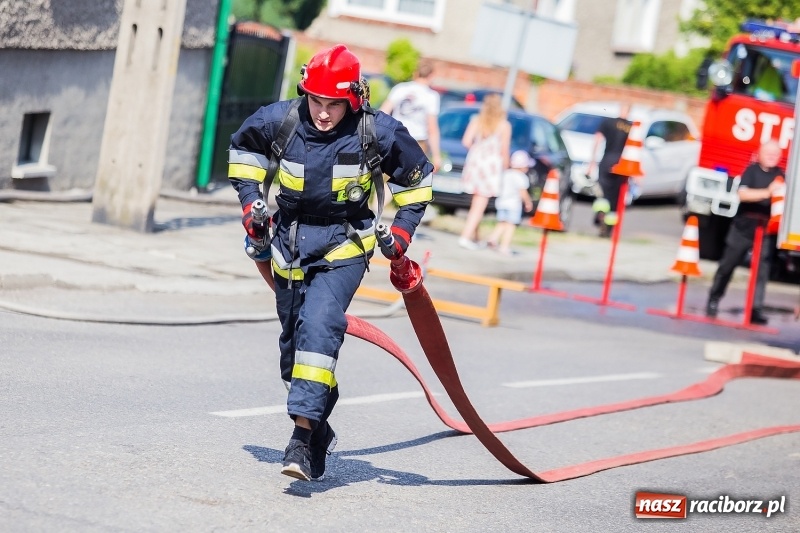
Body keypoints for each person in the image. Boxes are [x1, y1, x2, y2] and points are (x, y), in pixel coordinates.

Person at [227, 44, 433, 482]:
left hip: (344, 248)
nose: (321, 113)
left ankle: (300, 443)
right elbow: (243, 158)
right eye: (315, 101)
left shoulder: (377, 133)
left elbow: (417, 184)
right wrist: (251, 209)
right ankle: (318, 432)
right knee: (294, 355)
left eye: (332, 104)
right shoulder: (278, 120)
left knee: (320, 326)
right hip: (288, 247)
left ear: (353, 100)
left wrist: (399, 235)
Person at [705, 140, 785, 325]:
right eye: (769, 152)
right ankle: (714, 298)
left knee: (761, 271)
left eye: (776, 153)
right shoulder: (751, 171)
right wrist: (767, 192)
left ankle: (755, 309)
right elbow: (742, 194)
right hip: (743, 227)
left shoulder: (781, 176)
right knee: (728, 265)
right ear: (760, 153)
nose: (772, 156)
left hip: (765, 230)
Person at [457, 93, 511, 249]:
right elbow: (504, 150)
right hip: (491, 166)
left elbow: (466, 141)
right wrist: (506, 166)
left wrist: (477, 150)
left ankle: (475, 237)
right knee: (479, 205)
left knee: (476, 203)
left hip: (475, 162)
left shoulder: (477, 121)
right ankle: (465, 237)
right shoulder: (504, 125)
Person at [379, 59, 441, 173]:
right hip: (417, 143)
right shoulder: (431, 96)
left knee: (386, 179)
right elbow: (432, 128)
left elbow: (383, 114)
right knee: (410, 184)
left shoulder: (400, 88)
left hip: (396, 138)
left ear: (415, 73)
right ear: (431, 75)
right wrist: (436, 156)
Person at [586, 103, 632, 238]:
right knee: (615, 197)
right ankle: (609, 228)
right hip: (621, 164)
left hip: (607, 161)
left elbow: (597, 140)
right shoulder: (631, 127)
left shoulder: (608, 122)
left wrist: (592, 163)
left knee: (603, 192)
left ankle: (600, 216)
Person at [485, 150, 534, 255]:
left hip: (501, 202)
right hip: (513, 205)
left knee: (502, 223)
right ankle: (504, 246)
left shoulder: (506, 174)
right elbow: (523, 192)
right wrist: (528, 202)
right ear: (523, 166)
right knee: (510, 226)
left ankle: (493, 238)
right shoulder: (521, 177)